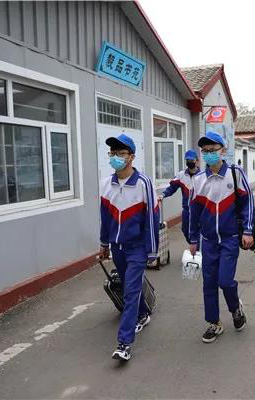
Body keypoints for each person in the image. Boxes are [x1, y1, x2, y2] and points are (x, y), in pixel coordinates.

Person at [188, 131, 254, 343]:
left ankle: (235, 309)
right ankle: (214, 323)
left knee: (225, 281)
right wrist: (193, 239)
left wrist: (248, 230)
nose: (209, 154)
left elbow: (248, 203)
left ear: (223, 150)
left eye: (212, 150)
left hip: (230, 238)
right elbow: (193, 212)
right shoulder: (198, 179)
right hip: (208, 241)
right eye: (205, 151)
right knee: (209, 283)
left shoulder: (235, 174)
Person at [98, 133, 159, 361]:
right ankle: (142, 314)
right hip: (117, 247)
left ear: (131, 156)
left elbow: (152, 217)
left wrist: (152, 249)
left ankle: (124, 343)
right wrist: (104, 243)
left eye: (120, 153)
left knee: (131, 291)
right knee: (127, 286)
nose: (115, 157)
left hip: (137, 247)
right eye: (112, 153)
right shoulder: (106, 184)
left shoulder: (143, 183)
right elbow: (105, 217)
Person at [158, 150, 203, 244]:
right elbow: (172, 187)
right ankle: (193, 245)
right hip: (186, 210)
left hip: (200, 210)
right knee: (185, 230)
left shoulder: (203, 176)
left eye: (192, 160)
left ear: (197, 160)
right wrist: (163, 194)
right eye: (188, 160)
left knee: (199, 231)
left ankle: (198, 248)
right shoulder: (181, 175)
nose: (190, 162)